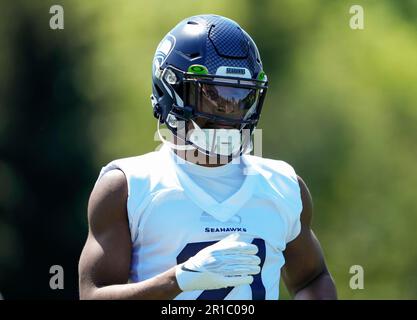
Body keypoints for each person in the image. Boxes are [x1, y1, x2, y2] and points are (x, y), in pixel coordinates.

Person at [78, 14, 337, 300]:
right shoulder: (127, 187)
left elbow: (312, 278)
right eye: (213, 94)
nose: (228, 111)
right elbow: (92, 295)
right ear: (172, 89)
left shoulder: (284, 186)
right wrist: (177, 280)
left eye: (242, 97)